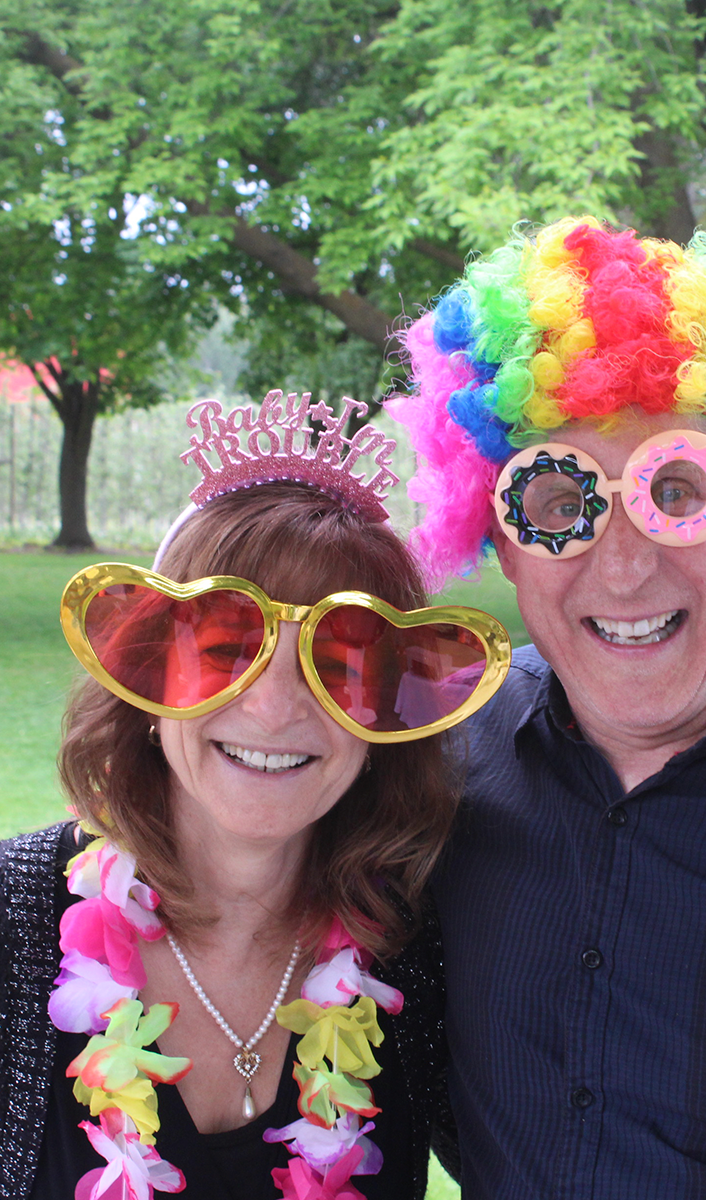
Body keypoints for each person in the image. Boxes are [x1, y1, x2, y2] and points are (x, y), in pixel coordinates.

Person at [389, 218, 706, 1199]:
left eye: (675, 488)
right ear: (501, 541)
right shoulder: (435, 757)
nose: (622, 566)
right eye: (556, 500)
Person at [0, 389, 509, 1199]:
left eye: (338, 660)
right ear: (147, 678)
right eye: (226, 647)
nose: (274, 708)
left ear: (381, 712)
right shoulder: (11, 921)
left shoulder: (417, 952)